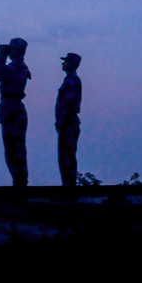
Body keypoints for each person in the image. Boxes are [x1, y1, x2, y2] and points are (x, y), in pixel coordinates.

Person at [0, 37, 31, 192]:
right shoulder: (19, 66)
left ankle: (19, 182)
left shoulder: (16, 66)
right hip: (13, 108)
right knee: (15, 148)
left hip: (12, 110)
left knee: (13, 149)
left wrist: (0, 57)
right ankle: (19, 181)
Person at [55, 52, 82, 189]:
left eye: (66, 61)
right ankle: (68, 186)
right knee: (66, 156)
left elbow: (68, 103)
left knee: (66, 156)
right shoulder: (70, 80)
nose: (63, 63)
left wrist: (62, 121)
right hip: (68, 123)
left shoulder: (71, 81)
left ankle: (68, 188)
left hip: (68, 123)